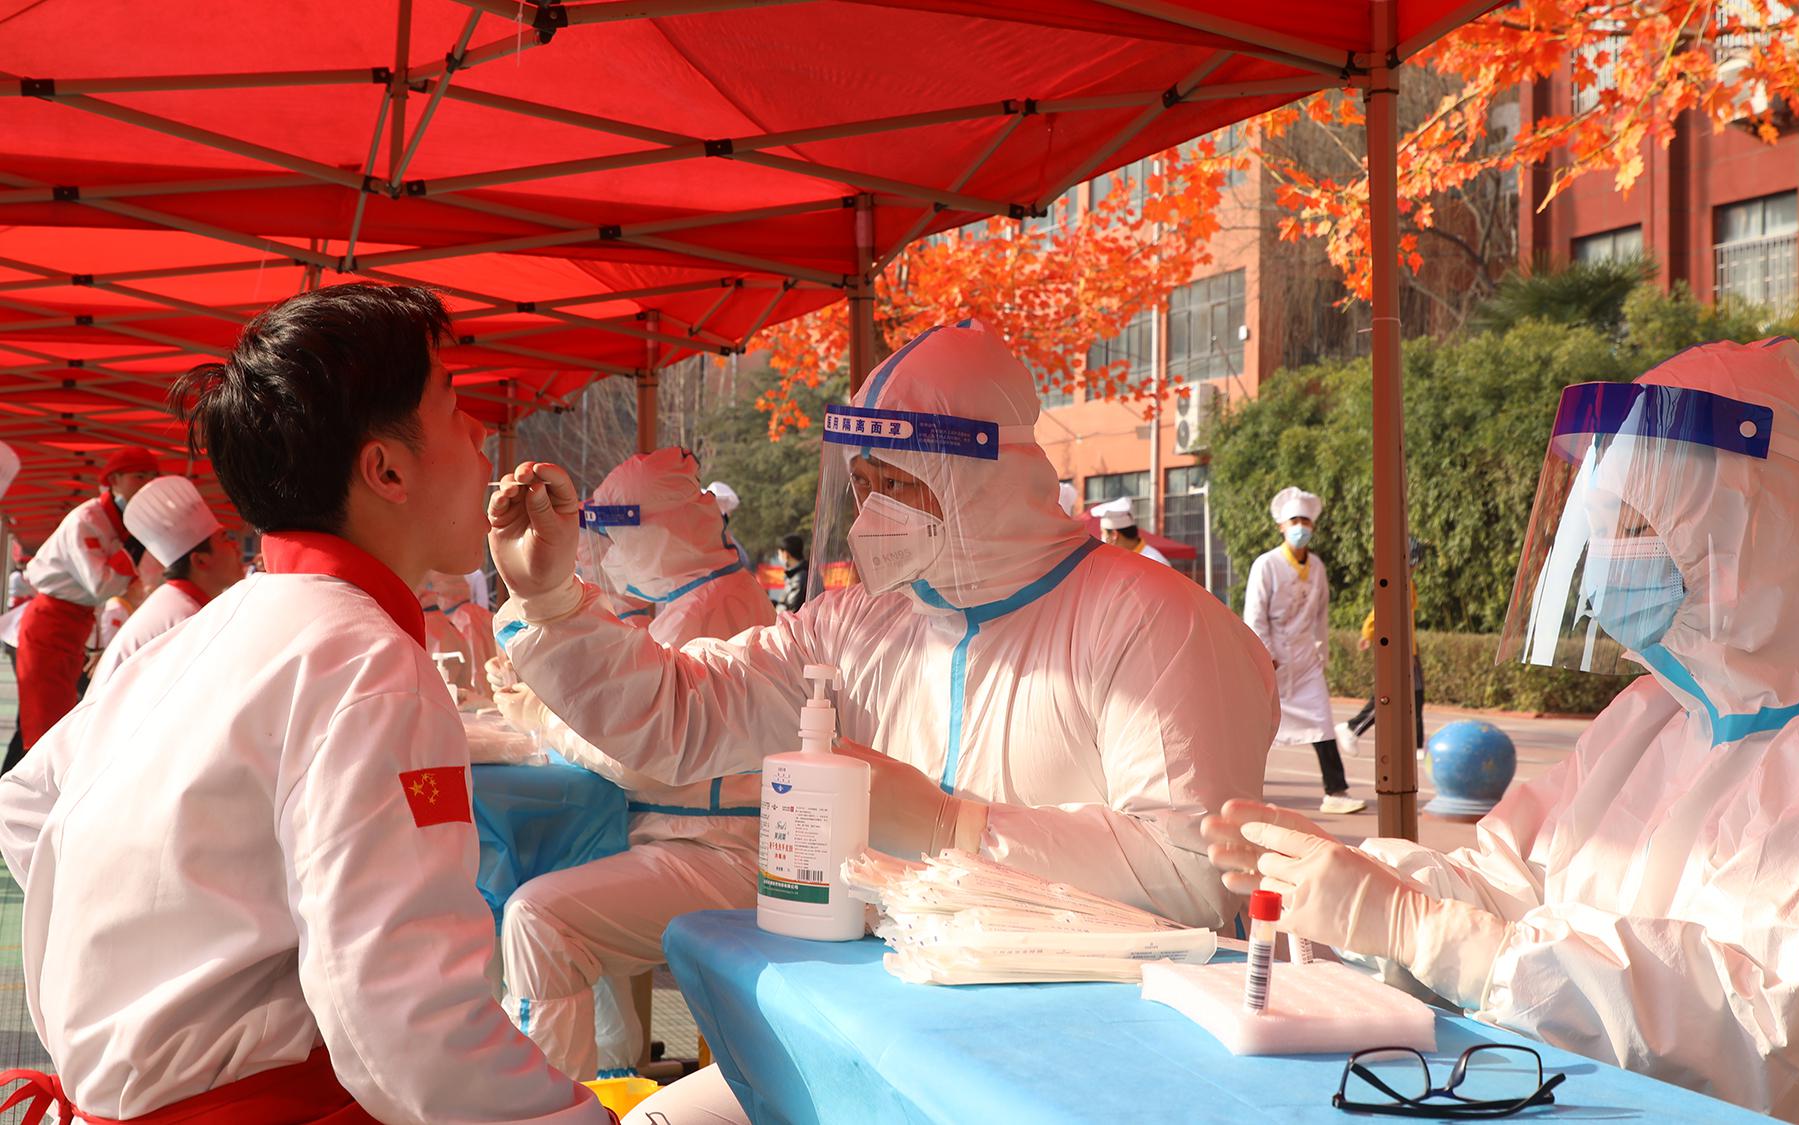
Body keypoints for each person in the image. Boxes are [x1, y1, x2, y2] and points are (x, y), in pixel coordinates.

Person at [487, 320, 1277, 1118]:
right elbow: (682, 711)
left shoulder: (1153, 621)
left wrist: (954, 829)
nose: (870, 510)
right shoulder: (860, 623)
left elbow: (1193, 873)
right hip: (873, 1019)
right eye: (861, 483)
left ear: (982, 474)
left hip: (1075, 1051)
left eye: (895, 481)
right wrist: (556, 608)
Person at [1205, 338, 1799, 1125]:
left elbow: (1748, 1031)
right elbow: (1517, 882)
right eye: (1602, 524)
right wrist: (1367, 883)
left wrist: (1424, 929)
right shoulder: (1661, 715)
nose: (1606, 558)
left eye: (1634, 523)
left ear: (1753, 531)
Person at [0, 283, 612, 1123]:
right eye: (454, 404)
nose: (482, 436)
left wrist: (169, 964)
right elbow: (407, 1019)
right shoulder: (368, 661)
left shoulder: (207, 633)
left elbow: (27, 801)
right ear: (386, 469)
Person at [489, 447, 774, 1082]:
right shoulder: (706, 598)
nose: (611, 553)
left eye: (620, 536)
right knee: (562, 874)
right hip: (700, 836)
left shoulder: (708, 612)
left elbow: (643, 754)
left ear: (660, 533)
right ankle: (612, 1074)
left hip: (719, 847)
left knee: (538, 918)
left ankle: (549, 1106)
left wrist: (541, 716)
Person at [14, 446, 158, 752]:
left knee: (56, 719)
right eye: (139, 476)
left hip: (76, 624)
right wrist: (130, 552)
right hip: (50, 624)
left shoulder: (120, 524)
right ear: (114, 481)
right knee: (44, 727)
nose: (148, 484)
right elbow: (101, 586)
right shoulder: (88, 520)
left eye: (152, 477)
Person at [1243, 488, 1362, 815]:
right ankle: (1244, 789)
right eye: (1294, 520)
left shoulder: (1318, 567)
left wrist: (1321, 651)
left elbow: (1321, 614)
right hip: (1274, 658)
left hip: (1306, 659)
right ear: (1281, 526)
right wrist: (1264, 652)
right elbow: (1255, 613)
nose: (1300, 527)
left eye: (1305, 521)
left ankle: (1336, 792)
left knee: (1322, 721)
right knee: (1259, 726)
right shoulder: (1266, 564)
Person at [87, 475, 240, 693]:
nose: (236, 546)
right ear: (200, 561)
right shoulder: (184, 616)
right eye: (225, 538)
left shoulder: (177, 603)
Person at [1333, 539, 1426, 757]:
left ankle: (1415, 745)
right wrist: (1368, 633)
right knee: (1393, 696)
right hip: (1398, 650)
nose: (1415, 567)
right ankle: (1353, 729)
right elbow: (1379, 611)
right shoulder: (1395, 581)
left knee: (1415, 695)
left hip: (1408, 649)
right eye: (1413, 562)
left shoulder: (1407, 582)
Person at [1089, 496, 1169, 563]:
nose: (1101, 538)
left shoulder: (1155, 561)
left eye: (1103, 532)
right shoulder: (1114, 560)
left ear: (1114, 535)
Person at [778, 533, 808, 613]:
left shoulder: (799, 577)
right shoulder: (797, 574)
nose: (779, 557)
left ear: (786, 554)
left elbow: (793, 609)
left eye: (780, 554)